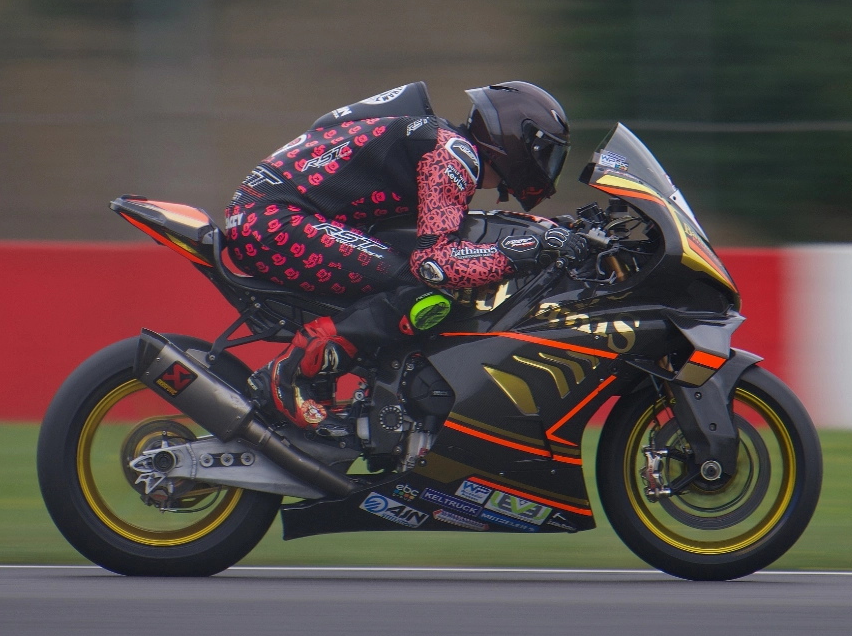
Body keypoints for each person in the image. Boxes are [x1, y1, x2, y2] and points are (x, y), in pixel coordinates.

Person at [221, 80, 586, 434]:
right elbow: (438, 264)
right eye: (545, 153)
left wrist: (551, 231)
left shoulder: (441, 143)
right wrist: (527, 250)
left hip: (269, 215)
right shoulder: (452, 152)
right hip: (274, 220)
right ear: (516, 139)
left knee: (408, 277)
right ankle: (290, 373)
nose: (546, 165)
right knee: (425, 289)